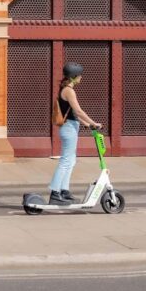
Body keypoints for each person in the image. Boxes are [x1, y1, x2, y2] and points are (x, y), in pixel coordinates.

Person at [49, 62, 102, 205]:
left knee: (71, 161)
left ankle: (64, 191)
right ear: (73, 77)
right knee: (66, 161)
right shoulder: (69, 91)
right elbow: (78, 111)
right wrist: (93, 123)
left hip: (71, 126)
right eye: (79, 75)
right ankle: (55, 193)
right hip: (68, 128)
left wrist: (86, 125)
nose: (81, 78)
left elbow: (72, 113)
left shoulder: (67, 89)